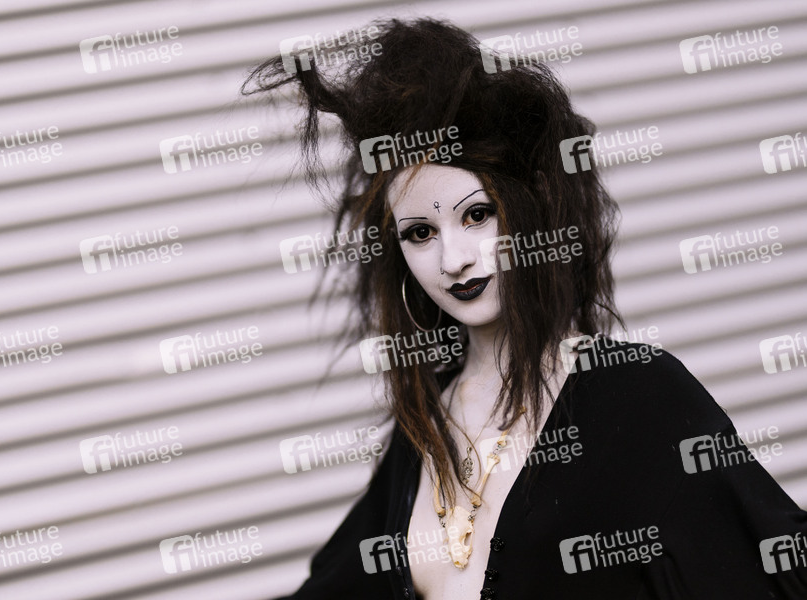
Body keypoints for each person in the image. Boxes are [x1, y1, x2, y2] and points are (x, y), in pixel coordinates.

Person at [243, 17, 807, 600]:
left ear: (531, 203)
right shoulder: (424, 425)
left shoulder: (637, 396)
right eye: (420, 233)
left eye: (477, 215)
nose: (454, 259)